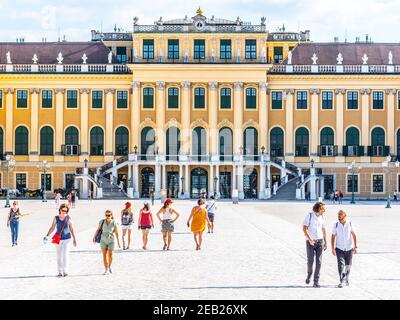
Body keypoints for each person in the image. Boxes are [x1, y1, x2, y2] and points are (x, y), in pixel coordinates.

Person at [44, 204, 77, 277]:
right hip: (58, 239)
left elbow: (71, 228)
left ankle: (65, 271)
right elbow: (52, 227)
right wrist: (47, 235)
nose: (64, 212)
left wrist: (74, 239)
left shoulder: (68, 218)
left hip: (67, 239)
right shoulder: (56, 218)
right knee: (59, 255)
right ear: (60, 210)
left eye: (66, 211)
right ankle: (59, 271)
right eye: (63, 210)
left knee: (65, 255)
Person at [302, 202, 327, 288]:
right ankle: (309, 275)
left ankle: (316, 281)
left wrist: (325, 241)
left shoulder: (322, 217)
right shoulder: (309, 215)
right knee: (310, 261)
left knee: (319, 262)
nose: (324, 210)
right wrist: (309, 238)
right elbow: (304, 228)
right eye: (323, 209)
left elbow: (323, 229)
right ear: (319, 208)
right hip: (310, 242)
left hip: (320, 241)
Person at [331, 210, 358, 288]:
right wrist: (333, 248)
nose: (339, 217)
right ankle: (341, 281)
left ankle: (346, 279)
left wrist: (355, 246)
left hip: (349, 248)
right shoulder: (336, 225)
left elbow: (354, 235)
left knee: (348, 265)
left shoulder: (350, 224)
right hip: (339, 248)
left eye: (341, 215)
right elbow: (333, 236)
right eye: (338, 215)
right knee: (341, 265)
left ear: (345, 216)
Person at [93, 210, 121, 275]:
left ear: (111, 215)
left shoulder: (114, 223)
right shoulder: (102, 221)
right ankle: (106, 269)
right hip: (103, 240)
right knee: (104, 256)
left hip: (111, 240)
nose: (107, 216)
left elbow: (116, 232)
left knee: (110, 255)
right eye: (106, 215)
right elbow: (98, 229)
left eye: (109, 215)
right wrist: (94, 237)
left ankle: (109, 266)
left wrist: (118, 241)